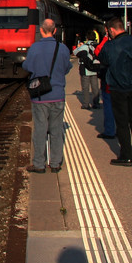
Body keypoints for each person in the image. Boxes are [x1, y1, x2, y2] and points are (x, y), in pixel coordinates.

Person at [21, 18, 72, 174]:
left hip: (40, 96)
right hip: (58, 95)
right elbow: (67, 68)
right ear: (55, 31)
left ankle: (39, 164)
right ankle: (55, 163)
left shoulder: (34, 48)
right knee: (57, 130)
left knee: (40, 130)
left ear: (41, 30)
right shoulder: (62, 48)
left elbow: (27, 66)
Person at [98, 16, 132, 166]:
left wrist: (106, 40)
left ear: (111, 30)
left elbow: (102, 59)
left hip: (118, 88)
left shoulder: (111, 46)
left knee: (122, 123)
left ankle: (126, 156)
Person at [73, 36, 101, 110]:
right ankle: (96, 103)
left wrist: (79, 46)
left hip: (85, 69)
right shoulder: (97, 45)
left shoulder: (85, 46)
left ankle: (86, 104)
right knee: (95, 87)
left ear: (87, 39)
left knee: (85, 87)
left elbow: (75, 52)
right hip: (95, 68)